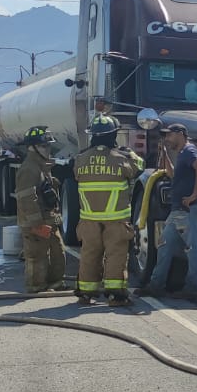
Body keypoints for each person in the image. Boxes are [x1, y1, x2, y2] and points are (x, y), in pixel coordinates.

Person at [73, 115, 142, 306]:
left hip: (89, 219)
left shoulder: (80, 159)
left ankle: (86, 294)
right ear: (114, 134)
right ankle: (115, 296)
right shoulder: (121, 159)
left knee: (89, 254)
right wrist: (128, 152)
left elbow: (76, 175)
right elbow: (139, 167)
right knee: (116, 255)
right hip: (116, 219)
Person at [141, 122, 197, 299]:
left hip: (188, 210)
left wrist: (194, 195)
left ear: (180, 134)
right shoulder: (182, 154)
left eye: (169, 135)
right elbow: (172, 175)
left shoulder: (190, 151)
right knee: (163, 246)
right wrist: (164, 155)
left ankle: (193, 289)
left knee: (193, 249)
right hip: (177, 211)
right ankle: (156, 286)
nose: (167, 139)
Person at [13, 127, 66, 294]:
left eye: (48, 146)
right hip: (36, 223)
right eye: (44, 146)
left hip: (49, 220)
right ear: (32, 147)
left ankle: (55, 283)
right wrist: (36, 224)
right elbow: (27, 198)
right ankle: (36, 287)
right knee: (37, 257)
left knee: (58, 253)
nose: (48, 149)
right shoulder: (29, 169)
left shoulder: (41, 167)